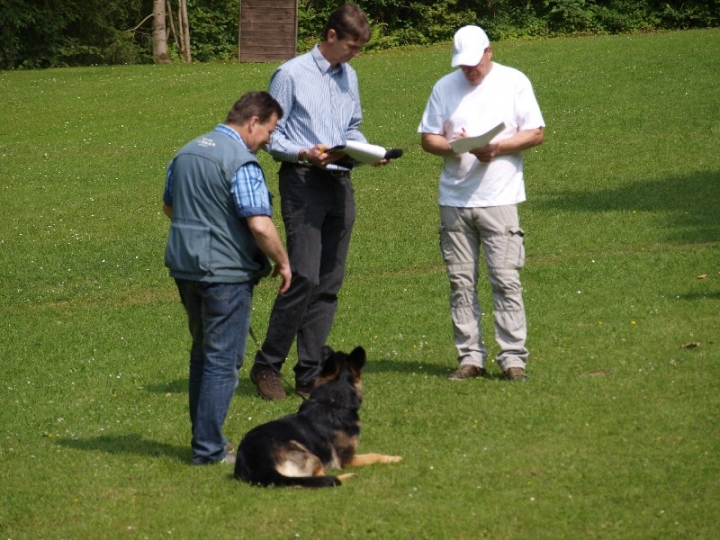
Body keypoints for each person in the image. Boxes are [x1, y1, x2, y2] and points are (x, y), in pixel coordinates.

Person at [248, 3, 378, 400]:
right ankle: (267, 365)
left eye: (360, 49)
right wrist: (305, 153)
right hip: (303, 180)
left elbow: (351, 125)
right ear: (332, 36)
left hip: (341, 182)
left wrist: (366, 151)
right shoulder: (290, 74)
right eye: (351, 46)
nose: (355, 55)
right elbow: (274, 135)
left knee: (329, 282)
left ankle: (308, 374)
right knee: (302, 275)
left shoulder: (349, 75)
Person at [162, 91, 291, 464]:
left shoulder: (185, 152)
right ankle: (209, 450)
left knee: (203, 355)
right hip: (225, 274)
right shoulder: (241, 161)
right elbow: (260, 225)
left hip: (185, 268)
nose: (269, 141)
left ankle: (205, 441)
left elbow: (170, 205)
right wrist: (283, 263)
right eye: (270, 130)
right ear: (253, 122)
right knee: (223, 361)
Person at [418, 25, 545, 382]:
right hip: (454, 199)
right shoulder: (445, 87)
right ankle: (470, 357)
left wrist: (496, 148)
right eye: (463, 66)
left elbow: (535, 131)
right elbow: (428, 138)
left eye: (474, 63)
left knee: (505, 280)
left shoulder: (514, 81)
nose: (469, 71)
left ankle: (513, 359)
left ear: (489, 52)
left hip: (499, 197)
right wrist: (455, 146)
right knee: (461, 282)